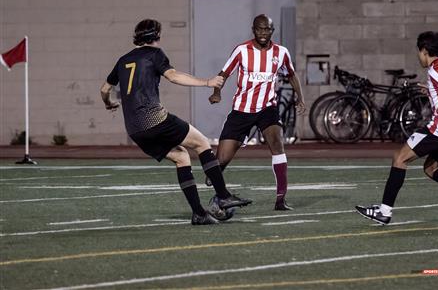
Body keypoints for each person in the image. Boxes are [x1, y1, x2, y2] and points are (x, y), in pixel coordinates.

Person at [100, 19, 252, 225]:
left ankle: (199, 213)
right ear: (156, 37)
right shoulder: (155, 54)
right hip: (155, 119)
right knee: (202, 143)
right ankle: (224, 196)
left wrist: (109, 103)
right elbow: (173, 76)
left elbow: (104, 89)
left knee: (182, 157)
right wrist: (206, 82)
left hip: (135, 129)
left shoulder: (122, 60)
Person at [207, 14, 306, 211]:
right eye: (260, 29)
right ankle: (216, 180)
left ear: (272, 30)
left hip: (267, 109)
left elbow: (292, 75)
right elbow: (223, 73)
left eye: (267, 29)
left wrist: (300, 98)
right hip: (241, 111)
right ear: (254, 30)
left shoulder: (281, 52)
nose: (263, 33)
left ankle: (280, 199)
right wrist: (216, 92)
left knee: (278, 146)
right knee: (222, 159)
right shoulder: (242, 50)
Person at [356, 31, 438, 225]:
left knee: (399, 158)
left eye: (418, 51)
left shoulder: (437, 70)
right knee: (431, 168)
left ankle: (384, 211)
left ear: (424, 50)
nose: (418, 55)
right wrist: (430, 89)